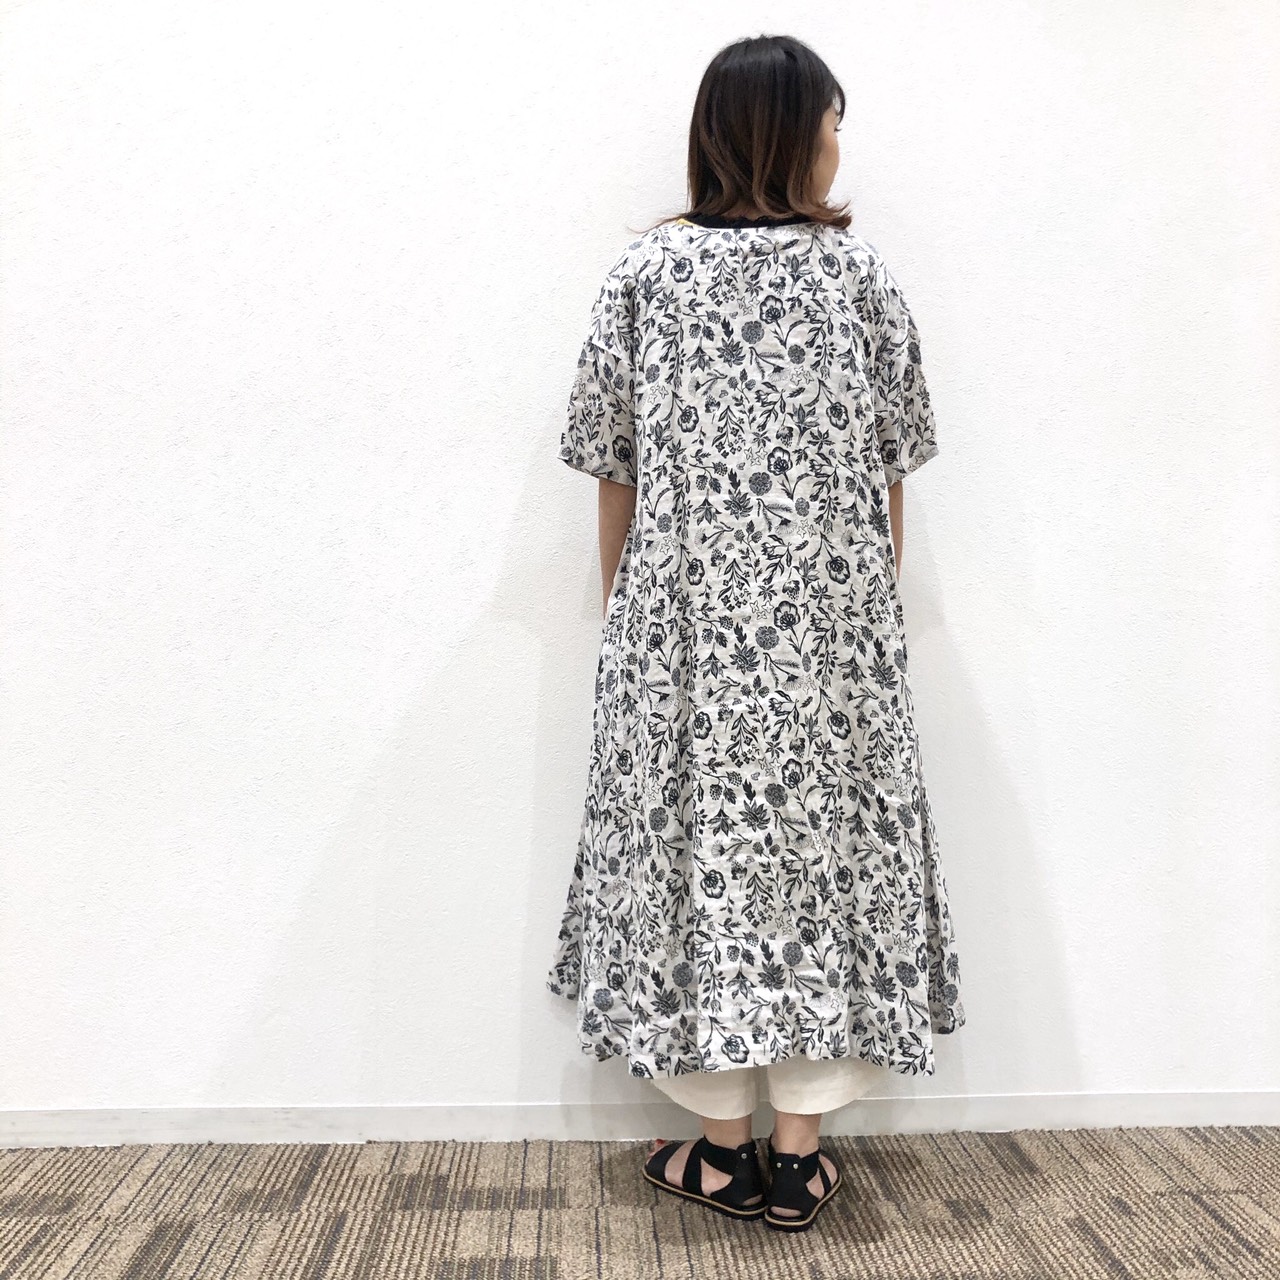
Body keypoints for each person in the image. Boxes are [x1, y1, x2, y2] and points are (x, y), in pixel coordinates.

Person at [546, 33, 966, 1233]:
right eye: (831, 122)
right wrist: (857, 618)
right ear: (791, 134)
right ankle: (796, 1154)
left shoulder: (646, 276)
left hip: (679, 640)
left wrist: (634, 610)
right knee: (827, 865)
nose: (838, 143)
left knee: (692, 859)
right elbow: (888, 475)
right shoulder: (860, 277)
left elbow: (612, 470)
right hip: (831, 648)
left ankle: (719, 1148)